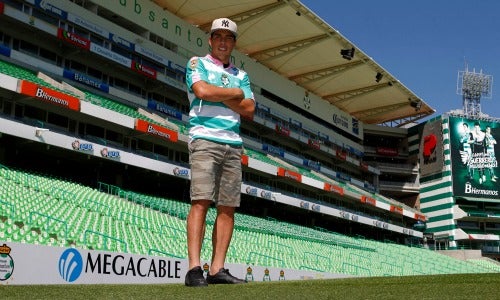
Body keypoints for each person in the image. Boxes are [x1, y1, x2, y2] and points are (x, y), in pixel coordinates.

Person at [184, 17, 255, 287]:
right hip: (204, 139)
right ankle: (194, 269)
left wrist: (218, 94)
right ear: (211, 40)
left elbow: (249, 110)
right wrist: (234, 93)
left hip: (233, 144)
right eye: (219, 36)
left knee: (228, 207)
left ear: (234, 44)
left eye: (229, 38)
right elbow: (200, 90)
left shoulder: (243, 74)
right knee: (200, 201)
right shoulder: (197, 63)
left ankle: (217, 269)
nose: (223, 42)